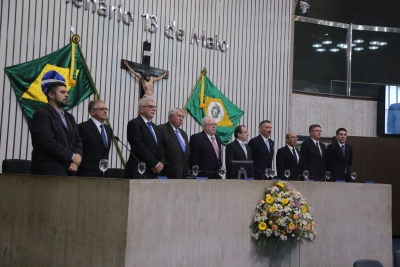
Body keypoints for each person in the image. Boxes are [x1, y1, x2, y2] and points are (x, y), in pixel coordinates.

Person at [29, 70, 82, 176]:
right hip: (49, 170)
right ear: (51, 95)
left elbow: (77, 141)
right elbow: (47, 142)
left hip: (70, 170)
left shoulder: (69, 117)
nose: (67, 95)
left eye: (67, 92)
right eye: (62, 92)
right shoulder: (42, 114)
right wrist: (72, 156)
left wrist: (76, 159)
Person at [124, 97, 165, 178]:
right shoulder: (134, 124)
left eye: (154, 107)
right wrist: (155, 164)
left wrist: (161, 163)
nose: (154, 109)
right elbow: (138, 146)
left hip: (155, 172)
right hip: (139, 169)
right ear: (142, 109)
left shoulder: (155, 127)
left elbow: (161, 147)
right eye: (150, 107)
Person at [77, 100, 113, 177]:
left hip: (103, 172)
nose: (105, 111)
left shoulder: (108, 129)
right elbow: (78, 148)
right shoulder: (83, 127)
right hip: (87, 172)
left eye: (106, 109)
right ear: (93, 112)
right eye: (102, 109)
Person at [158, 108, 190, 178]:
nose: (181, 119)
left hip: (183, 174)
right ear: (170, 117)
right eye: (179, 116)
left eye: (182, 117)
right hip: (168, 172)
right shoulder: (161, 129)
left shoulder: (183, 134)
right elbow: (159, 150)